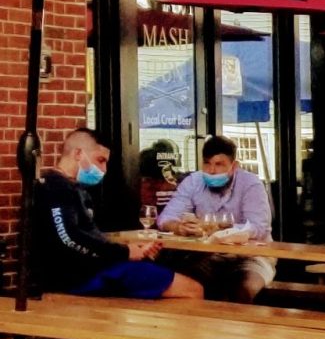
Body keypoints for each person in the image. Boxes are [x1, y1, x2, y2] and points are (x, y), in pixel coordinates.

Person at [34, 128, 201, 300]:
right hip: (81, 278)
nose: (104, 169)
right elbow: (69, 236)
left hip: (93, 272)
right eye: (100, 160)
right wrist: (124, 253)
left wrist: (133, 250)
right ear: (78, 154)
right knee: (192, 290)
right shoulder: (55, 188)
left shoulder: (72, 188)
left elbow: (89, 237)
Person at [157, 135, 276, 302]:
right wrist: (179, 227)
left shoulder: (251, 184)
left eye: (219, 164)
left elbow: (258, 227)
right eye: (207, 163)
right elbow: (166, 218)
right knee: (187, 284)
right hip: (208, 255)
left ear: (234, 166)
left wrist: (222, 230)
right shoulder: (194, 182)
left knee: (243, 290)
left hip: (252, 257)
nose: (211, 170)